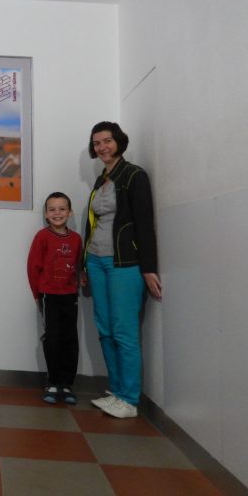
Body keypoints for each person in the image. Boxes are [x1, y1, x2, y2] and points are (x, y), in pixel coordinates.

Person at [82, 121, 162, 419]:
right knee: (105, 330)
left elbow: (144, 223)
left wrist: (149, 268)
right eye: (97, 143)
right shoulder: (101, 179)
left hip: (124, 264)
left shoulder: (134, 175)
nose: (102, 147)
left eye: (107, 141)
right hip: (96, 261)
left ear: (118, 141)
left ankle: (128, 399)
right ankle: (116, 391)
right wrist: (84, 263)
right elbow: (92, 224)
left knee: (124, 331)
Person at [27, 192, 82, 405]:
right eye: (52, 209)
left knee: (70, 339)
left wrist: (82, 279)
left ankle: (66, 384)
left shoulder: (76, 239)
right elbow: (33, 267)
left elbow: (79, 265)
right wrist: (37, 295)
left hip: (70, 296)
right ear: (46, 214)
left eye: (62, 209)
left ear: (70, 212)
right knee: (53, 339)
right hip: (49, 296)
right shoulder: (42, 237)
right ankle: (52, 382)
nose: (57, 213)